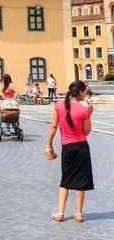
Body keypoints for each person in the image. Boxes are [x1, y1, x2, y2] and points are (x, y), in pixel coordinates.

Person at [47, 80, 94, 223]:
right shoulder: (84, 109)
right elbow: (86, 132)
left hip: (67, 148)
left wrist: (49, 145)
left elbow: (54, 126)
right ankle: (78, 213)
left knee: (65, 180)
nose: (86, 94)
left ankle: (60, 213)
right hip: (82, 147)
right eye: (85, 91)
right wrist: (89, 114)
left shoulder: (59, 105)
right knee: (81, 180)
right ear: (80, 92)